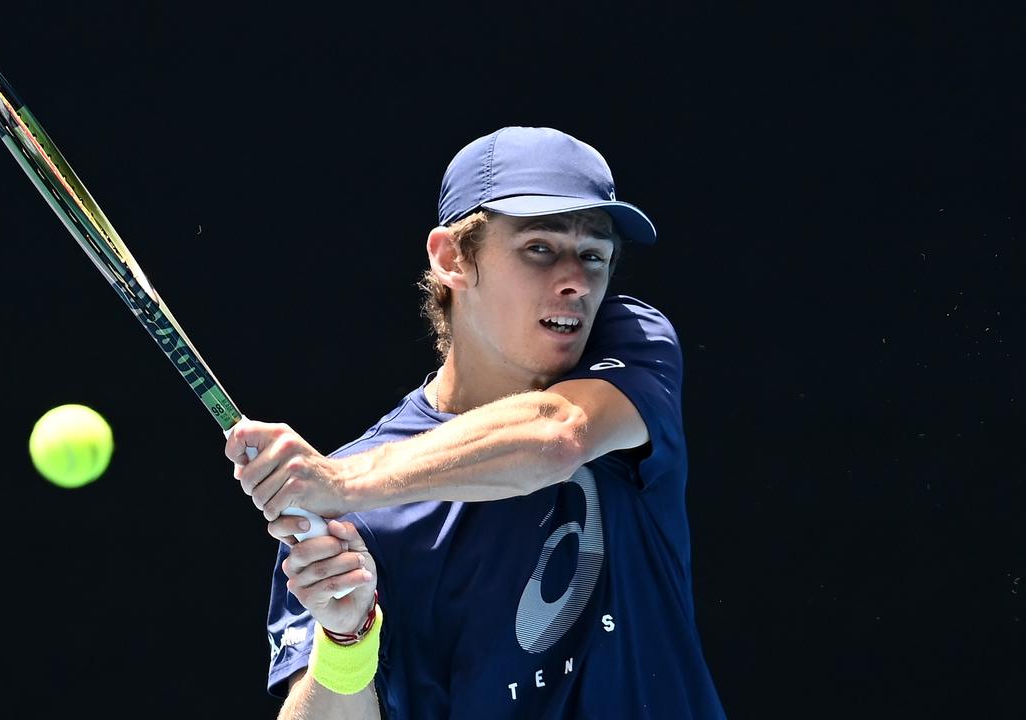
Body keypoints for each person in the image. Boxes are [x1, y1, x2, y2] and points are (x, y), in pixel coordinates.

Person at [225, 126, 726, 718]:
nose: (577, 282)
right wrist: (346, 639)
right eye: (539, 248)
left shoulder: (632, 343)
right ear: (451, 258)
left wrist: (341, 484)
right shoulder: (345, 514)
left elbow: (558, 435)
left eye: (595, 255)